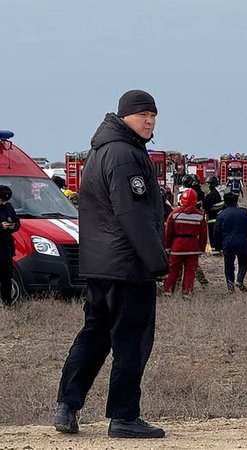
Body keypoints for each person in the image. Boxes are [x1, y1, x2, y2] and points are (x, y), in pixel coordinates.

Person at [54, 90, 168, 438]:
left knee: (94, 335)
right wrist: (157, 261)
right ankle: (124, 417)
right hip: (128, 266)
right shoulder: (125, 155)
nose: (149, 121)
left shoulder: (101, 151)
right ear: (125, 117)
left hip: (100, 265)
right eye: (143, 115)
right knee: (131, 339)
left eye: (154, 116)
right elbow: (131, 213)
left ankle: (67, 406)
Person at [163, 189, 207, 296]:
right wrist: (201, 249)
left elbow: (168, 233)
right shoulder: (200, 216)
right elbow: (203, 236)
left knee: (173, 270)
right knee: (190, 271)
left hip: (177, 246)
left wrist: (168, 247)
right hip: (193, 247)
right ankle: (187, 292)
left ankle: (168, 291)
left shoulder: (174, 214)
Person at [214, 193, 247, 292]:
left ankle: (230, 287)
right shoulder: (243, 211)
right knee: (244, 262)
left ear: (224, 202)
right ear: (236, 201)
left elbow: (216, 231)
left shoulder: (221, 214)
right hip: (242, 242)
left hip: (227, 243)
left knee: (229, 265)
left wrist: (217, 246)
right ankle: (239, 279)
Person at [0, 185, 21, 306]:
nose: (3, 203)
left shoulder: (8, 207)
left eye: (5, 200)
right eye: (1, 200)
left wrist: (13, 226)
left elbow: (17, 222)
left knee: (7, 278)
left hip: (6, 249)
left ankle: (7, 301)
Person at [202, 176, 225, 253]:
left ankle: (215, 250)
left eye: (209, 184)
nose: (208, 186)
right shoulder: (220, 192)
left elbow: (206, 204)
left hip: (213, 218)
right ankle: (220, 248)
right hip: (220, 216)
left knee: (213, 234)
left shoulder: (213, 194)